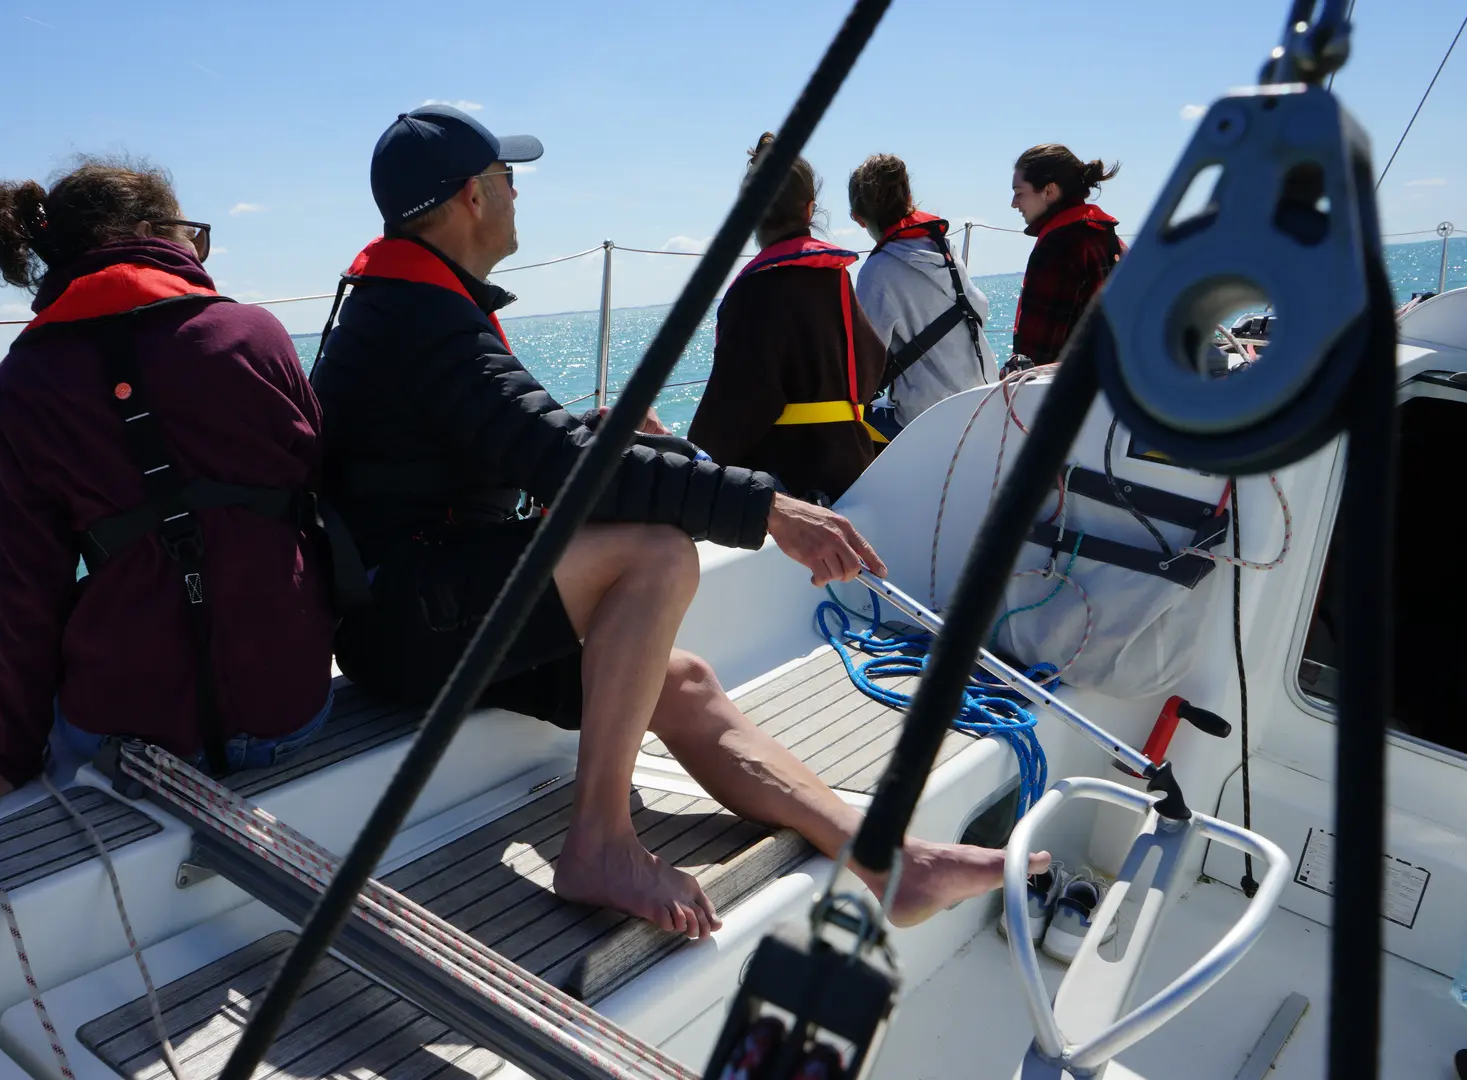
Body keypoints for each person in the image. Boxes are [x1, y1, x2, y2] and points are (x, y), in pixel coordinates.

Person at [312, 106, 1044, 939]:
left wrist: (609, 436)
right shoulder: (419, 317)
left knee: (682, 677)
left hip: (427, 604)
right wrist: (765, 506)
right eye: (510, 180)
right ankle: (598, 843)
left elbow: (516, 441)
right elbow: (553, 463)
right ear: (474, 196)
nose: (519, 195)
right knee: (655, 556)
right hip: (404, 619)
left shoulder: (410, 305)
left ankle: (887, 858)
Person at [0, 156, 343, 819]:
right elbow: (320, 478)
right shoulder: (252, 335)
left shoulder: (20, 385)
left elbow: (25, 596)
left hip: (128, 746)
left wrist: (8, 755)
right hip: (290, 714)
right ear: (155, 231)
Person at [688, 134, 887, 505]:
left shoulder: (754, 289)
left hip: (789, 484)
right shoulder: (835, 276)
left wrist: (693, 464)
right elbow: (872, 359)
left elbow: (734, 407)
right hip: (852, 468)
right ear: (810, 210)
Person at [846, 153, 992, 435]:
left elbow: (861, 365)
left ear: (859, 219)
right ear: (909, 197)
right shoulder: (943, 249)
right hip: (981, 403)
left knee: (845, 427)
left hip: (926, 421)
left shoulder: (877, 271)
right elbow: (980, 308)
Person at [1009, 144, 1124, 368]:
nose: (1014, 204)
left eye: (1019, 193)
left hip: (1068, 391)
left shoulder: (1058, 247)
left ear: (1049, 191)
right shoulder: (1104, 234)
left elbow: (1037, 356)